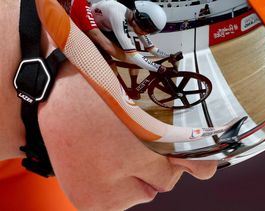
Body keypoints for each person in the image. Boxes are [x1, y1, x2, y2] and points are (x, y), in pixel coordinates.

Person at [0, 0, 217, 210]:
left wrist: (164, 56)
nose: (205, 170)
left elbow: (149, 47)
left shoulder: (64, 168)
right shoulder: (117, 14)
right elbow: (121, 50)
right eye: (179, 112)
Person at [90, 0, 176, 99]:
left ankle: (134, 86)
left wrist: (169, 55)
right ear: (141, 20)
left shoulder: (135, 18)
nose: (145, 34)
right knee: (110, 63)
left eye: (150, 31)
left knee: (135, 58)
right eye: (147, 30)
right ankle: (121, 91)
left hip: (107, 27)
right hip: (94, 29)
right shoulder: (117, 14)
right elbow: (133, 55)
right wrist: (158, 68)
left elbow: (151, 48)